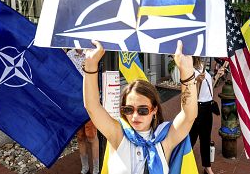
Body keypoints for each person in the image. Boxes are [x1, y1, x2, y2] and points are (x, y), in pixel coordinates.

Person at [83, 40, 198, 174]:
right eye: (128, 110)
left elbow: (189, 115)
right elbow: (92, 107)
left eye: (143, 110)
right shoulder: (118, 134)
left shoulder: (165, 139)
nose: (134, 116)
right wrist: (90, 66)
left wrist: (187, 72)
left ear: (154, 110)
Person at [66, 49, 100, 174]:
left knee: (92, 135)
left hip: (90, 100)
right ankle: (85, 167)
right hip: (74, 102)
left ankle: (96, 167)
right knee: (80, 136)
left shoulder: (92, 53)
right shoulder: (69, 55)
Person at [189, 57, 224, 174]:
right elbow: (191, 94)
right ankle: (181, 162)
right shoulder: (190, 71)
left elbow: (210, 88)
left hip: (208, 107)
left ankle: (207, 167)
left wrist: (217, 76)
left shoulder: (201, 68)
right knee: (191, 139)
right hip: (198, 108)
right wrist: (197, 81)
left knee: (206, 139)